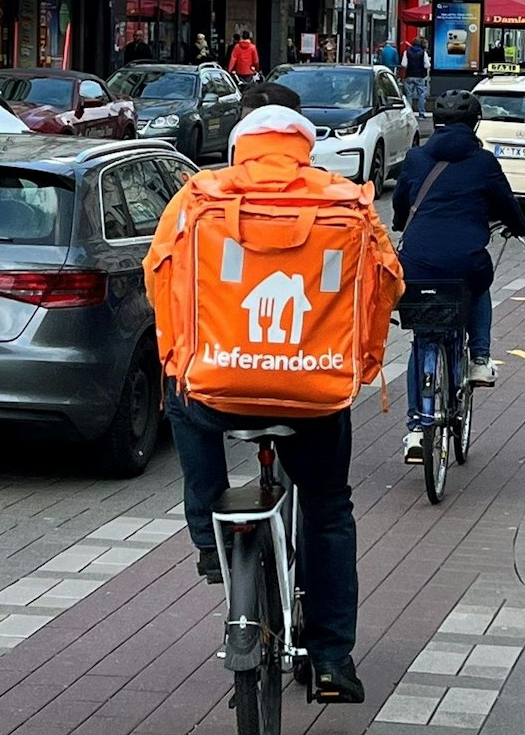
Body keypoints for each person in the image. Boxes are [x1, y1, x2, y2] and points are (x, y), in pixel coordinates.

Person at [146, 98, 400, 704]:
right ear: (304, 149)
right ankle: (334, 657)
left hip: (221, 391)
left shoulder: (200, 196)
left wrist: (178, 359)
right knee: (328, 506)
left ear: (241, 148)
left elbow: (158, 273)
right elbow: (386, 282)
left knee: (181, 400)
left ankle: (211, 539)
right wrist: (360, 365)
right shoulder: (343, 199)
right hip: (313, 395)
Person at [391, 90, 525, 462]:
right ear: (475, 125)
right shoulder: (483, 161)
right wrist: (519, 227)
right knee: (479, 284)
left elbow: (401, 205)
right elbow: (507, 204)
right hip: (465, 261)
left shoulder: (418, 158)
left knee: (422, 341)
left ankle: (417, 429)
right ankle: (480, 358)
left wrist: (402, 222)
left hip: (417, 264)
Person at [401, 37, 430, 111]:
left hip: (409, 75)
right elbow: (427, 65)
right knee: (421, 95)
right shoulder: (423, 53)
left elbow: (404, 64)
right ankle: (421, 112)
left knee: (409, 95)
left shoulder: (407, 52)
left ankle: (409, 111)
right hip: (420, 76)